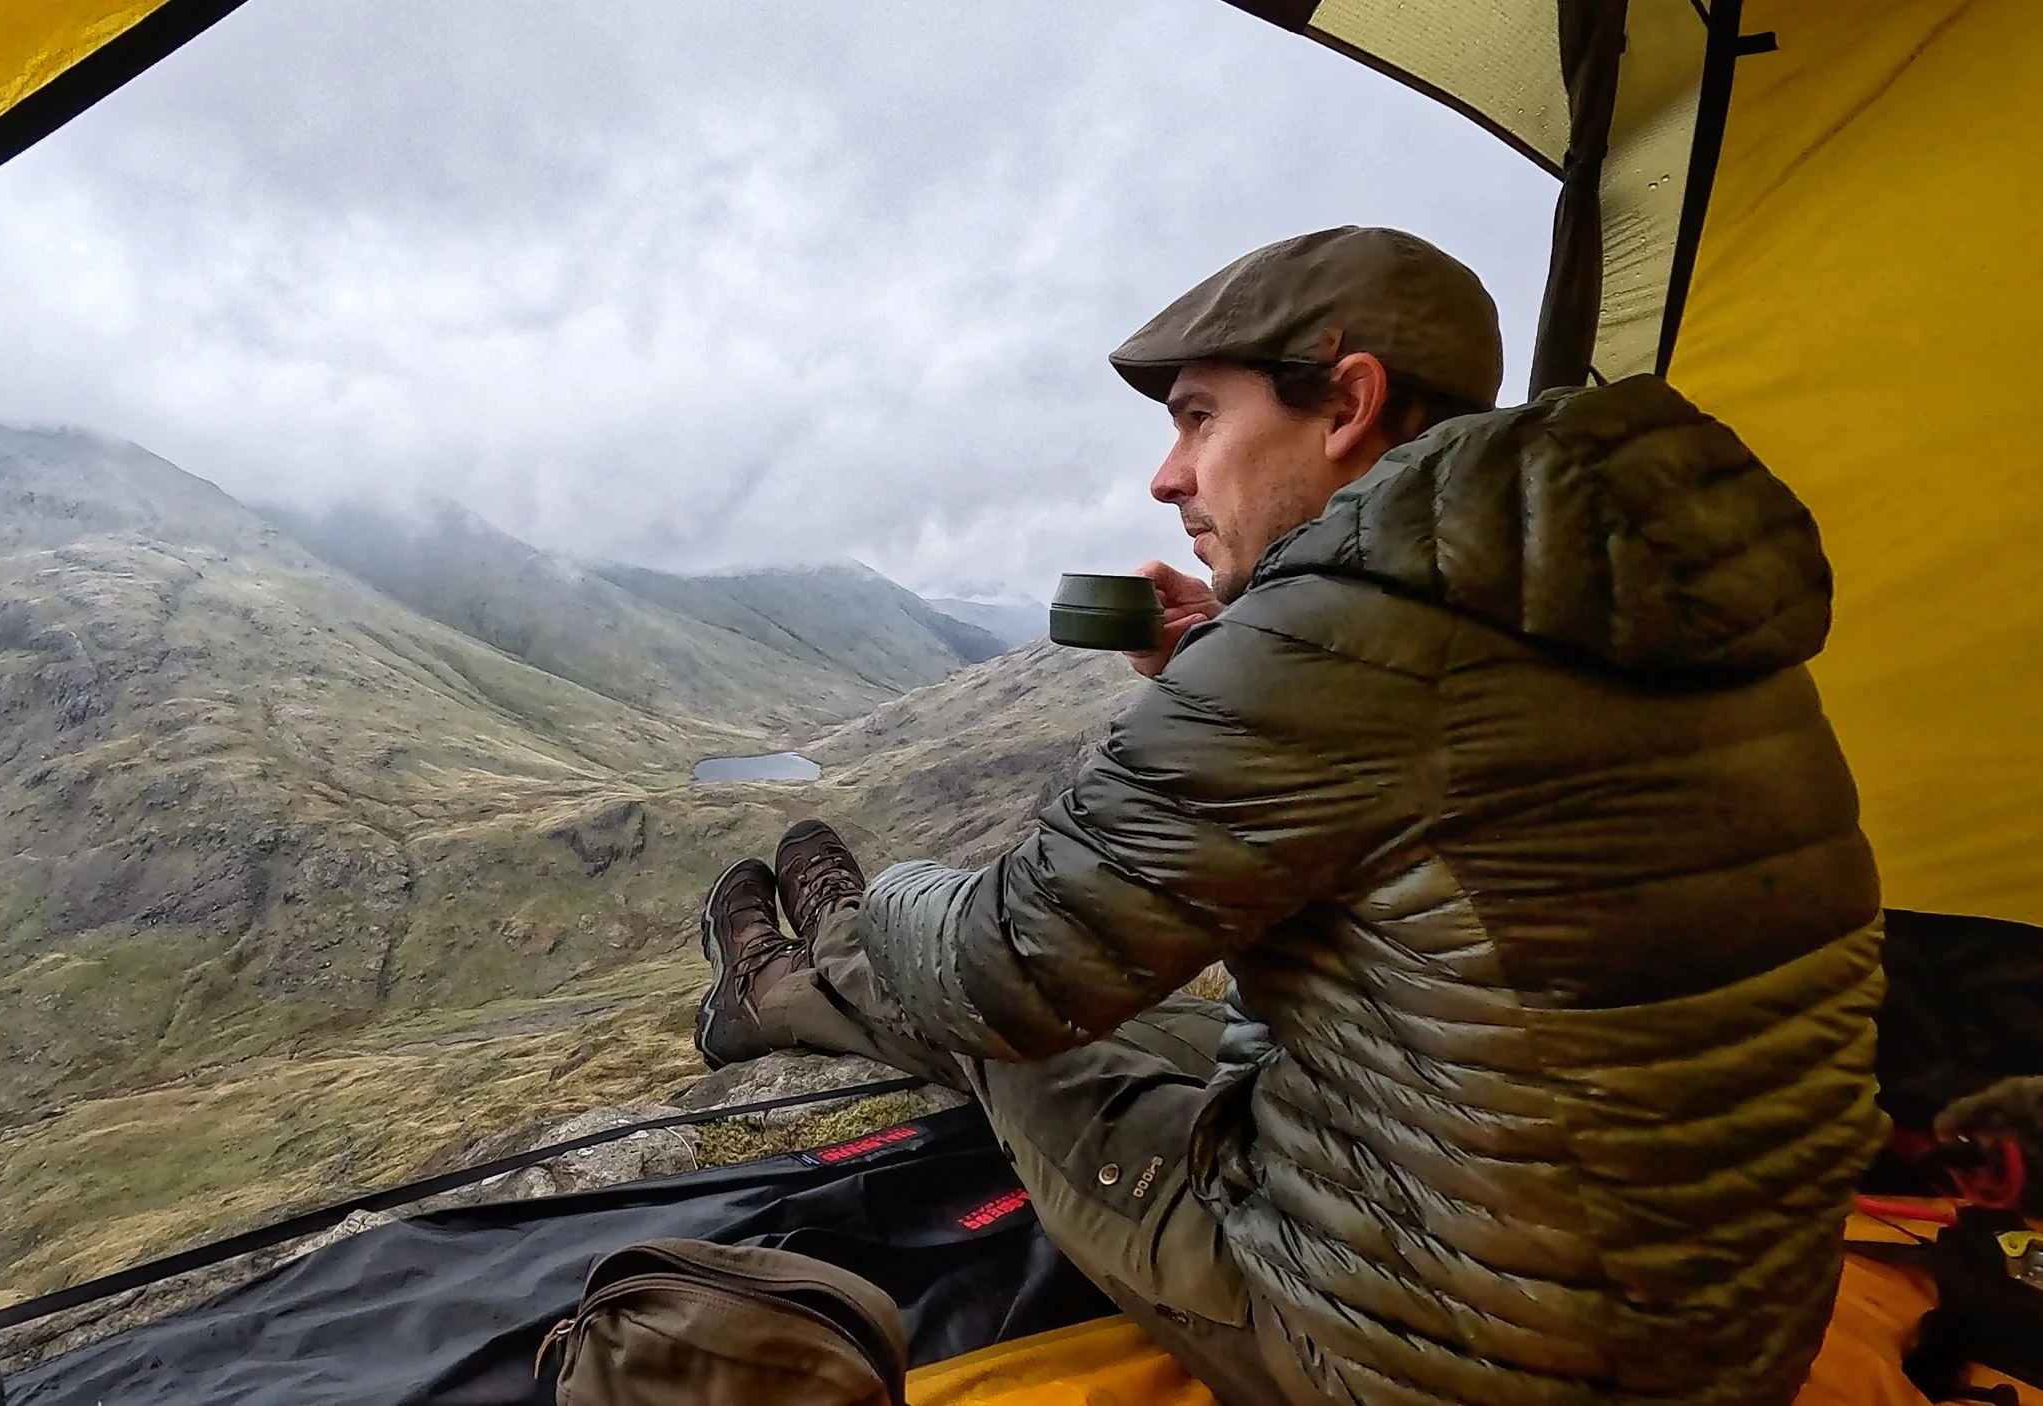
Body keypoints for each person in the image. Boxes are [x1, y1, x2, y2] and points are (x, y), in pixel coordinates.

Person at [692, 226, 1886, 1406]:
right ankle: (805, 966)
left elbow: (1001, 965)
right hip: (1727, 1328)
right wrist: (1217, 658)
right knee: (1139, 1017)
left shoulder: (1335, 638)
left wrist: (891, 887)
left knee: (1002, 1031)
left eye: (1199, 417)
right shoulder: (1627, 596)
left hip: (1434, 1358)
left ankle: (795, 968)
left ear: (1348, 404)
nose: (1166, 475)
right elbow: (1455, 775)